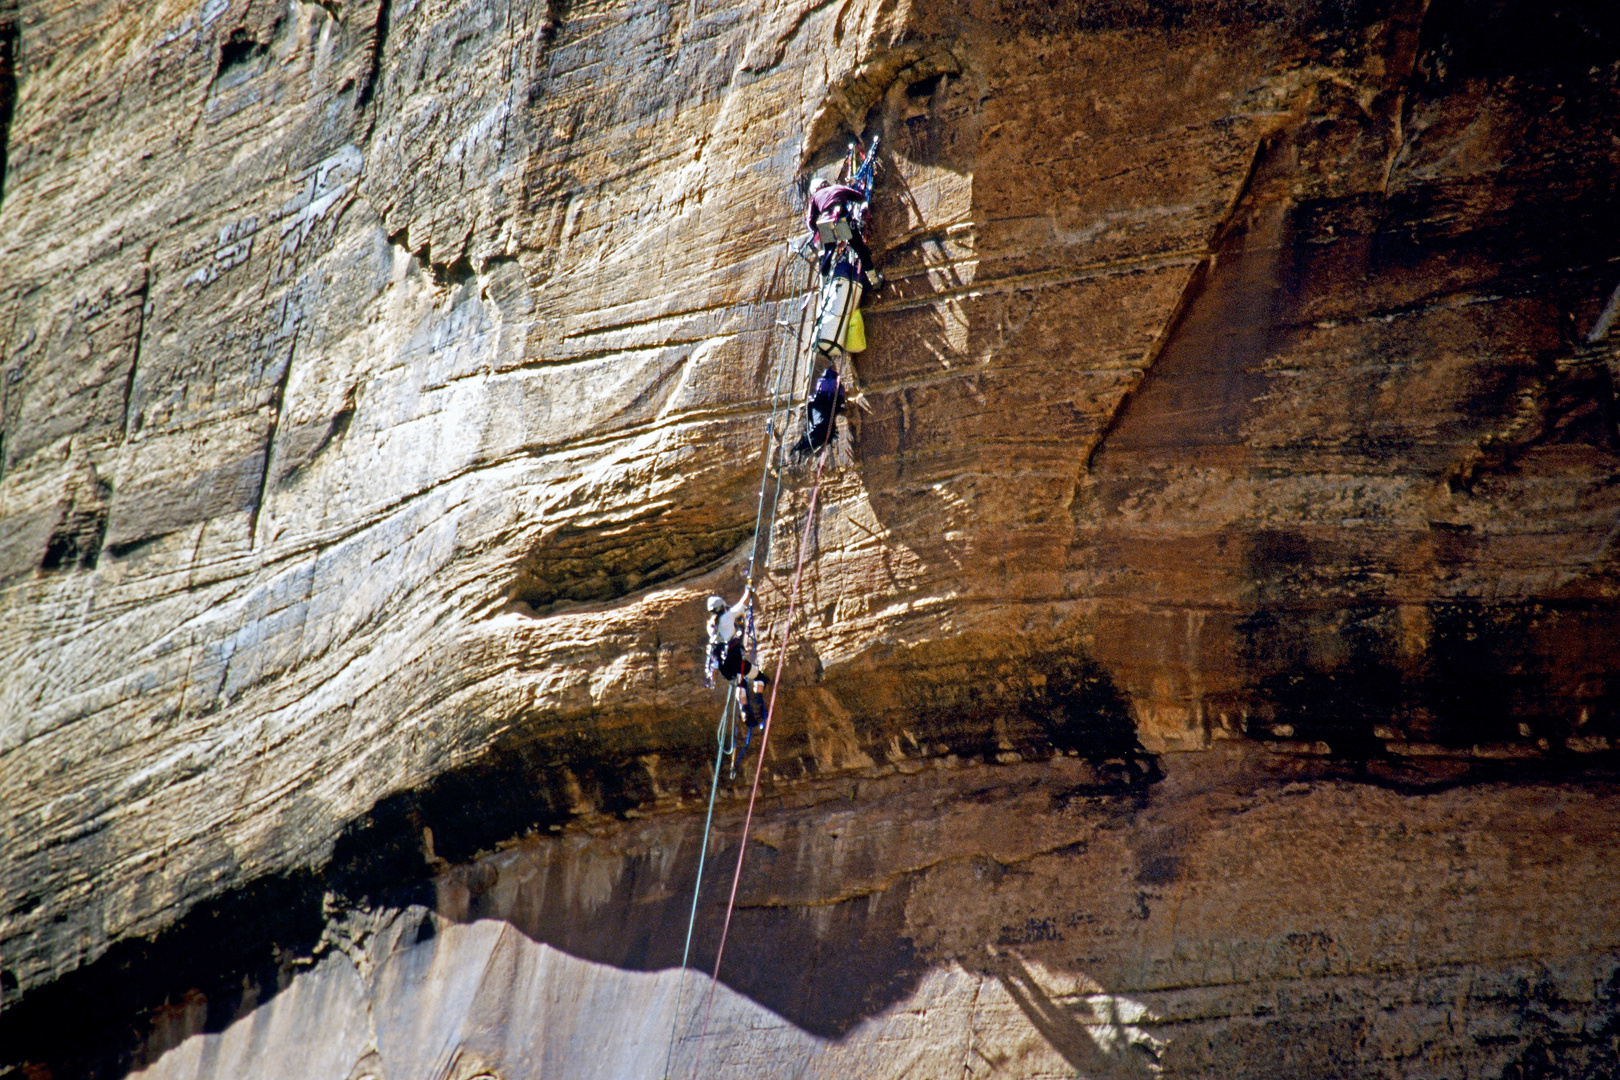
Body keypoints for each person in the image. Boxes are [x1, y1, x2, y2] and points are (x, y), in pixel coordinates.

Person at [705, 588, 769, 727]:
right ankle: (758, 704)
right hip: (734, 659)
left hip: (724, 666)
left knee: (740, 682)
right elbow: (743, 604)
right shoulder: (726, 618)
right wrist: (748, 589)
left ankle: (746, 713)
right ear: (722, 606)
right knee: (760, 678)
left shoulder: (711, 626)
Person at [805, 177, 881, 290]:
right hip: (842, 219)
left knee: (828, 254)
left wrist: (817, 230)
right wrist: (864, 205)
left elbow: (810, 221)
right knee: (860, 248)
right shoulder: (838, 187)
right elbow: (860, 197)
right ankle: (874, 280)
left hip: (825, 222)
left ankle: (823, 284)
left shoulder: (815, 197)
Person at [793, 366, 846, 458]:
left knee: (822, 425)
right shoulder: (830, 382)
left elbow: (821, 395)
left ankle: (806, 445)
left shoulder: (824, 381)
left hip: (826, 403)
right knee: (823, 425)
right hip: (827, 403)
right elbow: (840, 395)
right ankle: (808, 444)